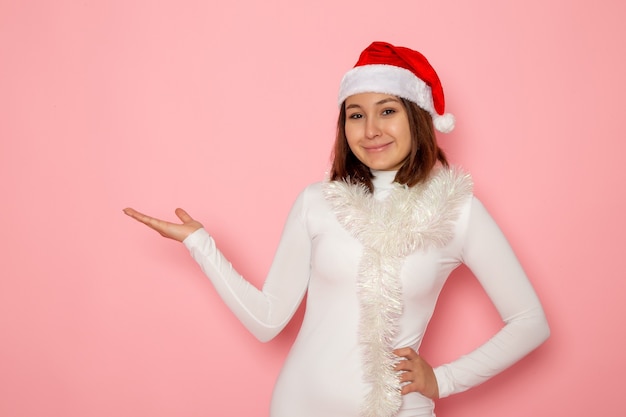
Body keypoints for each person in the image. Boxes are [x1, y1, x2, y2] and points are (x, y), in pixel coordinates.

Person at [124, 41, 550, 417]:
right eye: (355, 115)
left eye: (387, 111)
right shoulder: (318, 202)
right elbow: (267, 320)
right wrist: (200, 243)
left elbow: (530, 322)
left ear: (417, 117)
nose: (370, 130)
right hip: (299, 406)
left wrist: (443, 379)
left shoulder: (458, 212)